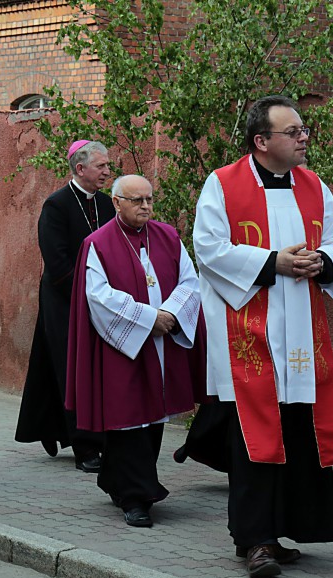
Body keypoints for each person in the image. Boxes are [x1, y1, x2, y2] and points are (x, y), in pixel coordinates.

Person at [188, 95, 333, 578]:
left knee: (297, 433)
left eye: (304, 130)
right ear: (262, 141)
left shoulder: (312, 185)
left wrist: (321, 261)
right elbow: (209, 248)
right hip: (249, 331)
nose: (304, 138)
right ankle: (254, 540)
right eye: (294, 132)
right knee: (254, 438)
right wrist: (273, 263)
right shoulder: (223, 184)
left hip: (302, 331)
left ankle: (284, 530)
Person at [66, 174, 205, 528]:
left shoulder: (168, 237)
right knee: (128, 418)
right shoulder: (98, 244)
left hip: (161, 343)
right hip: (122, 343)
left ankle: (117, 480)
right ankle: (136, 497)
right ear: (116, 202)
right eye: (137, 200)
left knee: (152, 417)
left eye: (149, 200)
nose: (146, 206)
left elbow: (190, 280)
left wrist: (170, 315)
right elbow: (98, 296)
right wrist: (147, 318)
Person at [16, 140, 114, 473]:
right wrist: (90, 293)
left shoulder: (106, 204)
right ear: (80, 168)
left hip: (102, 301)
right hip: (66, 301)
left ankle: (59, 428)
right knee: (71, 370)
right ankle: (85, 447)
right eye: (101, 166)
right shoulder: (56, 205)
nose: (107, 171)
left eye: (107, 165)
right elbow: (56, 260)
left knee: (95, 371)